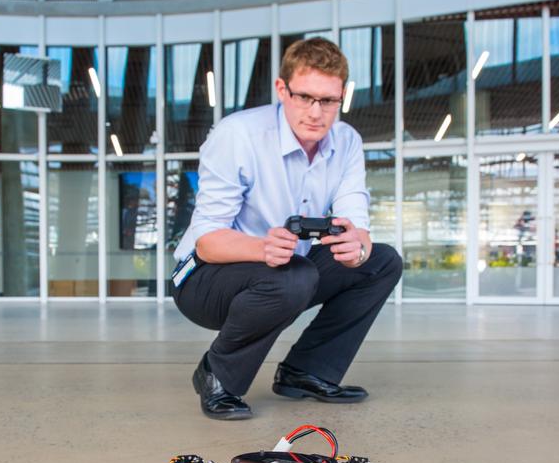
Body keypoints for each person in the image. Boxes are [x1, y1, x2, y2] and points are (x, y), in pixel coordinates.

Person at [171, 37, 402, 420]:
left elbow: (356, 220)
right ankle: (217, 375)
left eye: (328, 101)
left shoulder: (346, 141)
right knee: (293, 275)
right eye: (305, 97)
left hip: (291, 268)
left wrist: (357, 245)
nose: (316, 112)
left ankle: (307, 371)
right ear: (282, 90)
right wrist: (261, 248)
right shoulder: (239, 135)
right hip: (203, 278)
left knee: (381, 261)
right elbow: (207, 241)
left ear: (342, 96)